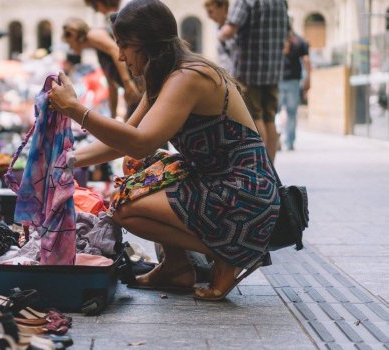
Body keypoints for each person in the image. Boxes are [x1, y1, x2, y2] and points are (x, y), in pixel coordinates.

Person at [49, 0, 280, 300]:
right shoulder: (166, 76)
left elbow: (141, 140)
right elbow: (125, 142)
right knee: (134, 166)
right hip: (218, 182)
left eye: (125, 46)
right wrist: (69, 160)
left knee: (123, 207)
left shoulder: (188, 77)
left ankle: (231, 254)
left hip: (244, 194)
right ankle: (177, 266)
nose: (120, 56)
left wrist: (76, 111)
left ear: (147, 43)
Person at [218, 0, 288, 162]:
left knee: (254, 118)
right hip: (273, 71)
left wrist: (219, 34)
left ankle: (261, 168)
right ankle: (271, 171)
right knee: (269, 118)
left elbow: (230, 29)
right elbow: (287, 34)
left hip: (248, 70)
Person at [62, 18, 141, 120]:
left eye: (68, 42)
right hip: (135, 91)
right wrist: (112, 116)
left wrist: (127, 83)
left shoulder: (92, 34)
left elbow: (115, 50)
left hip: (138, 86)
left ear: (72, 34)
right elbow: (112, 86)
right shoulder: (99, 52)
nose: (70, 48)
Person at [279, 30, 311, 151]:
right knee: (291, 113)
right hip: (293, 80)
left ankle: (279, 141)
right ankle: (289, 143)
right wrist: (308, 79)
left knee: (274, 112)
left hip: (280, 80)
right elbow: (306, 60)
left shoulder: (277, 36)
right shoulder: (300, 40)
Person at [204, 0, 235, 74]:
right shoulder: (218, 27)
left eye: (211, 11)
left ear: (223, 7)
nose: (209, 16)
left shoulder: (233, 28)